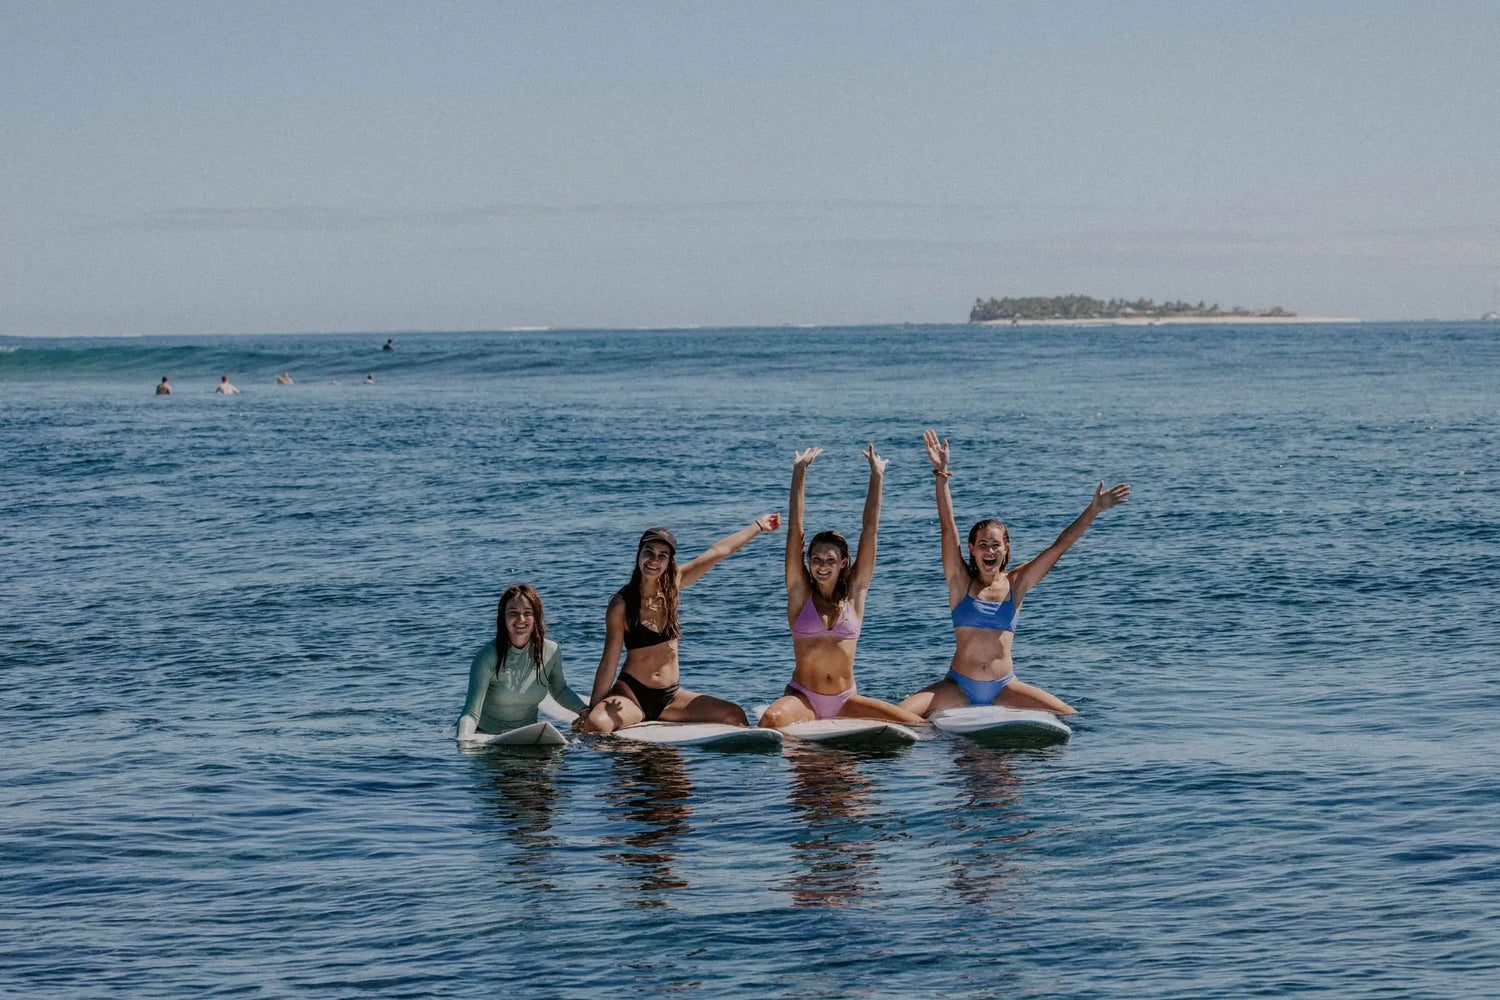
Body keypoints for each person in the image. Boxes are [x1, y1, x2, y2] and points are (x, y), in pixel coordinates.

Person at [900, 429, 1129, 717]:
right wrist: (941, 475)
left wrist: (1093, 510)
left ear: (1006, 549)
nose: (990, 551)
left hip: (1004, 688)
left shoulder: (1016, 584)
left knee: (1070, 717)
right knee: (899, 717)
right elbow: (948, 528)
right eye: (982, 545)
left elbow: (1059, 547)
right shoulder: (960, 582)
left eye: (996, 545)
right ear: (971, 548)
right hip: (956, 687)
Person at [758, 445, 923, 728]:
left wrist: (877, 475)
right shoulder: (800, 593)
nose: (822, 566)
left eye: (830, 560)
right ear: (808, 561)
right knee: (771, 720)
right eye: (816, 560)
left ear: (844, 562)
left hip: (846, 699)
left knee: (917, 725)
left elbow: (869, 529)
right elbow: (795, 530)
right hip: (804, 698)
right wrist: (799, 472)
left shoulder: (855, 593)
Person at [578, 516, 781, 734]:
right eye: (648, 552)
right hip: (631, 695)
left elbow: (718, 552)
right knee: (597, 725)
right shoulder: (622, 604)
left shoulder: (673, 587)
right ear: (639, 554)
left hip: (671, 697)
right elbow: (610, 660)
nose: (654, 560)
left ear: (669, 562)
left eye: (661, 556)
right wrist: (592, 709)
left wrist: (758, 526)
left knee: (734, 715)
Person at [457, 584, 588, 739]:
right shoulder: (487, 656)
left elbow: (559, 690)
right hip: (487, 736)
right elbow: (471, 713)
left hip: (528, 735)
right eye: (513, 613)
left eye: (528, 613)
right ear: (503, 617)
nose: (521, 619)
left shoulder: (551, 651)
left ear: (536, 617)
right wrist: (464, 741)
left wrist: (584, 711)